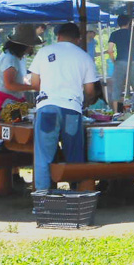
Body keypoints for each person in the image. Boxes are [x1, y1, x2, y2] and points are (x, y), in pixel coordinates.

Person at [29, 23, 98, 192]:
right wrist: (83, 100)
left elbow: (35, 83)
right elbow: (90, 90)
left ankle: (43, 199)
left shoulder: (44, 52)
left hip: (47, 108)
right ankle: (76, 196)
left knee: (43, 156)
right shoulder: (85, 57)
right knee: (74, 154)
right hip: (72, 110)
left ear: (58, 36)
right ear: (78, 39)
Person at [0, 24, 41, 127]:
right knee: (0, 136)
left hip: (11, 101)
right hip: (1, 104)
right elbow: (9, 84)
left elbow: (19, 79)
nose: (32, 48)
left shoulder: (20, 58)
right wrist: (33, 87)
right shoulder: (10, 58)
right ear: (23, 45)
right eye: (31, 45)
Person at [107, 14, 134, 110]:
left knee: (116, 87)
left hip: (119, 62)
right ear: (128, 23)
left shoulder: (114, 34)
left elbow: (110, 50)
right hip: (132, 62)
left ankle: (115, 112)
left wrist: (114, 61)